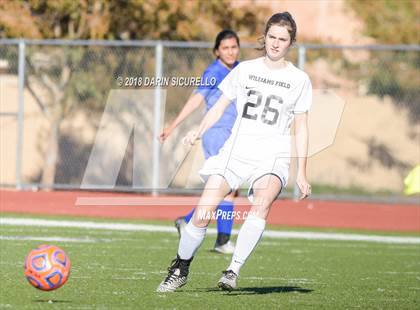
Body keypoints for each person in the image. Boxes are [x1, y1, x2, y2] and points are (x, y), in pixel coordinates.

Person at [157, 12, 312, 293]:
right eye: (272, 37)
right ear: (264, 38)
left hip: (272, 155)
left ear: (291, 43)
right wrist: (198, 130)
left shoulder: (299, 79)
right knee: (203, 212)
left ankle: (232, 270)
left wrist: (301, 172)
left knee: (262, 202)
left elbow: (301, 128)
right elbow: (218, 105)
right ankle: (180, 268)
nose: (276, 44)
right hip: (236, 151)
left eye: (283, 39)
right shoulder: (245, 70)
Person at [159, 30, 240, 254]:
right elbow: (196, 100)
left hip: (234, 136)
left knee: (226, 190)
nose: (230, 51)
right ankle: (222, 241)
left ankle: (187, 220)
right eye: (225, 48)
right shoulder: (214, 72)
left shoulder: (241, 69)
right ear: (217, 51)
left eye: (234, 47)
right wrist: (172, 125)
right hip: (216, 134)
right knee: (227, 189)